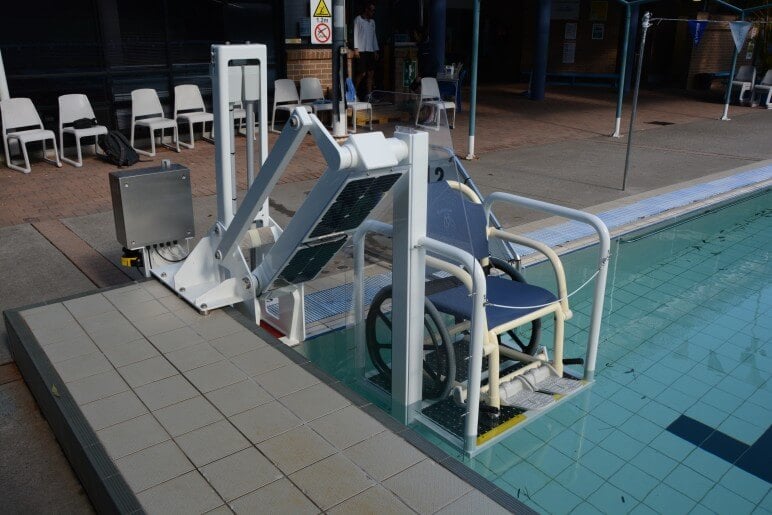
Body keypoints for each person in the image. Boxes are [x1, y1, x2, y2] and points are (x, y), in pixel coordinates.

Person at [353, 2, 379, 98]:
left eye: (374, 10)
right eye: (371, 10)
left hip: (370, 50)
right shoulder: (358, 19)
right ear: (366, 10)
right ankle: (354, 92)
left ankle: (369, 95)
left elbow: (374, 36)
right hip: (361, 50)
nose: (373, 12)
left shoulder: (372, 22)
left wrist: (375, 50)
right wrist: (356, 48)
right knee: (362, 73)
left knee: (371, 73)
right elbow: (355, 33)